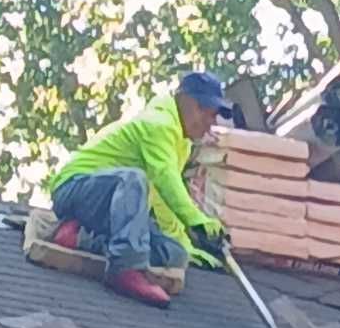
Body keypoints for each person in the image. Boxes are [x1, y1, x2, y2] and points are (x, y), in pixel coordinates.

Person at [47, 71, 233, 308]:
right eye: (203, 110)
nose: (210, 122)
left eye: (214, 115)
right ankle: (125, 269)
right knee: (133, 179)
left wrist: (186, 243)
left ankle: (79, 237)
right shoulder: (158, 125)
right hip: (74, 188)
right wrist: (197, 220)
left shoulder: (181, 142)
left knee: (173, 254)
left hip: (111, 208)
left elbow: (163, 198)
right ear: (184, 101)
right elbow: (165, 178)